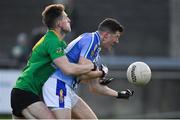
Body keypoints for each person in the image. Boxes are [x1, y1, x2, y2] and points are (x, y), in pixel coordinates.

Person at [10, 4, 96, 119]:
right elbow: (68, 69)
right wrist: (91, 66)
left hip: (27, 92)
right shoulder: (52, 41)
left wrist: (96, 76)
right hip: (25, 92)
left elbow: (72, 72)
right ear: (59, 23)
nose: (69, 20)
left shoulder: (58, 43)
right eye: (66, 18)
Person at [42, 18, 134, 119]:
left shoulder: (95, 51)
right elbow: (83, 73)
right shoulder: (91, 40)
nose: (117, 41)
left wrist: (118, 94)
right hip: (58, 84)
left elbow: (94, 86)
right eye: (116, 37)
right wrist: (101, 73)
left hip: (67, 87)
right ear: (106, 35)